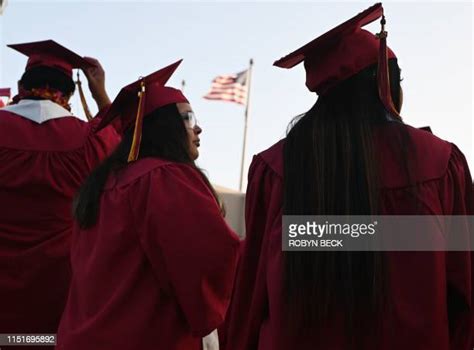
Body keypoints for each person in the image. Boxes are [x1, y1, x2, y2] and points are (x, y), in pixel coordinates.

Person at [223, 3, 473, 350]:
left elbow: (251, 294)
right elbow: (464, 288)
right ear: (386, 85)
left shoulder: (277, 169)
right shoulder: (441, 165)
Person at [56, 60, 240, 350]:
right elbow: (208, 260)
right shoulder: (164, 179)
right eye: (189, 118)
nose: (199, 128)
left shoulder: (101, 186)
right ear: (165, 126)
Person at [0, 40, 120, 345]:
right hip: (58, 294)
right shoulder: (89, 140)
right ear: (68, 92)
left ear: (21, 85)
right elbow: (127, 146)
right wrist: (101, 95)